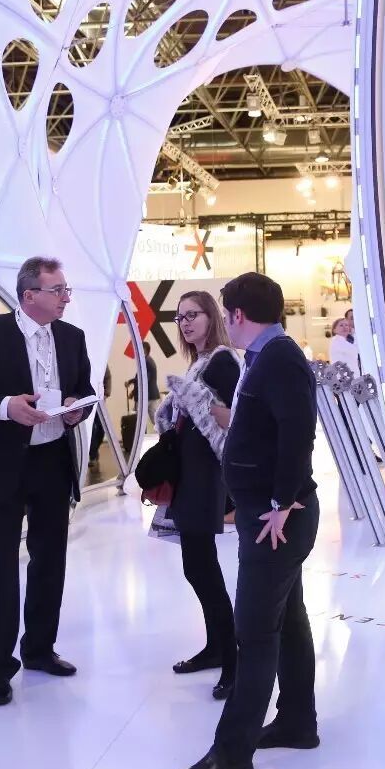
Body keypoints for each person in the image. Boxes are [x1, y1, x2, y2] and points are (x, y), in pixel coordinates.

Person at [171, 272, 320, 769]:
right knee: (289, 621)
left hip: (274, 521)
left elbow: (299, 432)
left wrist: (282, 502)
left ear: (236, 315)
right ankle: (298, 720)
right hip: (269, 514)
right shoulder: (266, 355)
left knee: (254, 632)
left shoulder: (278, 358)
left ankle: (232, 752)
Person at [0, 257, 94, 707]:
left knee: (50, 560)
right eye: (57, 290)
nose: (65, 298)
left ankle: (40, 649)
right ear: (29, 295)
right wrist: (6, 406)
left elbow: (85, 389)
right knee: (3, 565)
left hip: (52, 460)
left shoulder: (72, 337)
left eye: (66, 290)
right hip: (3, 463)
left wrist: (76, 408)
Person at [157, 291, 242, 701]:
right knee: (197, 567)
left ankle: (232, 660)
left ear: (212, 316)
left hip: (205, 477)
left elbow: (236, 418)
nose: (186, 323)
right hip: (189, 475)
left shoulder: (222, 360)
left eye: (193, 315)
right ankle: (216, 648)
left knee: (202, 569)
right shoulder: (201, 361)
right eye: (180, 317)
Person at [143, 341, 160, 427]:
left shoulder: (146, 362)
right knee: (154, 418)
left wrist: (134, 391)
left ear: (144, 350)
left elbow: (145, 379)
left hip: (148, 395)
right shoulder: (149, 360)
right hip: (151, 394)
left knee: (141, 419)